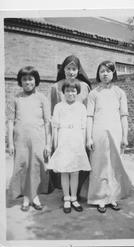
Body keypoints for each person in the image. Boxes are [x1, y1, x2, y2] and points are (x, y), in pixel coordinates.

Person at [85, 60, 132, 213]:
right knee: (98, 166)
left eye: (108, 71)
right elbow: (89, 117)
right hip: (98, 134)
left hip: (115, 134)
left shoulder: (120, 93)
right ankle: (99, 199)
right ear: (98, 74)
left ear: (113, 73)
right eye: (102, 71)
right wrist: (89, 138)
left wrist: (125, 136)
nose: (105, 74)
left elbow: (124, 116)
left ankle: (112, 198)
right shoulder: (93, 93)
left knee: (114, 166)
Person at [7, 66, 52, 211]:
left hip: (39, 139)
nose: (27, 82)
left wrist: (48, 144)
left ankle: (36, 197)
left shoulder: (42, 98)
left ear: (36, 80)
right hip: (20, 141)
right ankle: (26, 198)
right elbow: (10, 122)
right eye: (24, 79)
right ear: (20, 81)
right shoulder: (15, 99)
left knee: (37, 167)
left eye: (30, 79)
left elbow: (47, 122)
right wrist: (10, 143)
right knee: (23, 167)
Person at [47, 79, 91, 213]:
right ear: (63, 92)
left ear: (77, 92)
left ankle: (74, 198)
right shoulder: (59, 106)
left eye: (73, 91)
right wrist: (56, 144)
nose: (70, 93)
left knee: (75, 171)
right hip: (64, 140)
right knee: (65, 171)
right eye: (67, 91)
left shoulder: (81, 107)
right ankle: (66, 198)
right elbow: (55, 127)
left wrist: (82, 144)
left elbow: (84, 127)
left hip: (77, 141)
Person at [49, 55, 91, 194]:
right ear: (63, 70)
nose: (71, 72)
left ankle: (77, 191)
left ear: (79, 70)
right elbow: (52, 111)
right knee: (64, 163)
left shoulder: (84, 86)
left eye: (74, 68)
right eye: (68, 68)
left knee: (78, 163)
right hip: (63, 134)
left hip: (79, 133)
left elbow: (88, 111)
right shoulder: (56, 87)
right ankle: (65, 193)